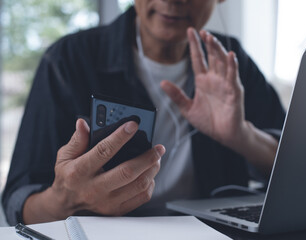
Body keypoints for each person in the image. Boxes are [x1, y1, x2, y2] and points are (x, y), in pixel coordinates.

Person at [2, 0, 285, 225]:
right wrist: (65, 199)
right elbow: (19, 202)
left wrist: (242, 135)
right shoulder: (69, 59)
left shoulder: (231, 60)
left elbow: (295, 174)